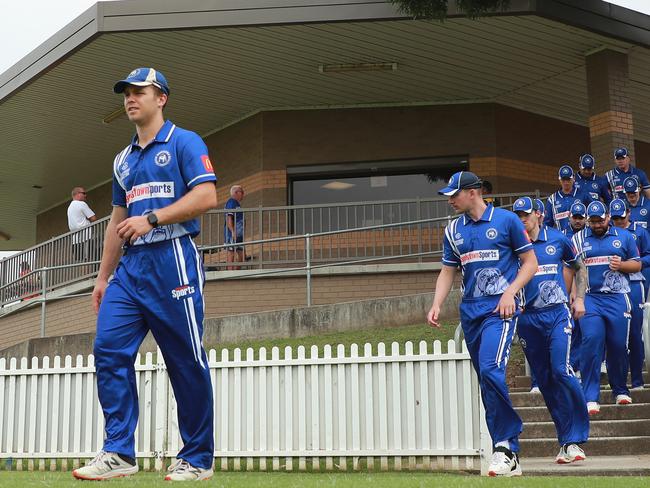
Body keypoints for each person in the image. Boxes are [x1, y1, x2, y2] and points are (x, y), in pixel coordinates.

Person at [72, 68, 217, 482]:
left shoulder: (185, 142)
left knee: (185, 359)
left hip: (173, 259)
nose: (131, 98)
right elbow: (118, 220)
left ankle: (198, 458)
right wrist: (103, 278)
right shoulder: (122, 160)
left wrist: (152, 219)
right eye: (126, 94)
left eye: (140, 91)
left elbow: (207, 195)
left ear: (162, 98)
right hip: (129, 271)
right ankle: (119, 452)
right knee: (108, 349)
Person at [427, 171, 537, 477]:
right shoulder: (452, 230)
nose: (450, 200)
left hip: (500, 311)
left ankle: (506, 445)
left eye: (454, 194)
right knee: (486, 382)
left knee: (491, 369)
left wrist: (510, 293)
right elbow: (448, 271)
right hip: (470, 312)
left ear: (473, 192)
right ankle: (506, 451)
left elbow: (531, 263)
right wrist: (437, 303)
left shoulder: (507, 221)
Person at [513, 197, 589, 464]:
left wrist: (579, 298)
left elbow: (579, 267)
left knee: (561, 370)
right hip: (527, 319)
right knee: (545, 381)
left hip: (557, 314)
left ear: (539, 215)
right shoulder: (514, 245)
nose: (522, 218)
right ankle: (566, 440)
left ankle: (577, 436)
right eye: (517, 214)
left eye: (526, 214)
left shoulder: (557, 239)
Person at [571, 201, 640, 415]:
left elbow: (637, 264)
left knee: (618, 344)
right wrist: (575, 296)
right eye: (593, 221)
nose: (597, 224)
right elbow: (573, 269)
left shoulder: (624, 237)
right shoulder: (578, 239)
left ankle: (620, 389)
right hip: (591, 298)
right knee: (591, 341)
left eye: (600, 220)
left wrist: (622, 265)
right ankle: (590, 396)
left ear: (608, 217)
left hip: (618, 297)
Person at [609, 199, 648, 390]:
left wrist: (636, 263)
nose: (619, 221)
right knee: (616, 335)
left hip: (633, 284)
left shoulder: (639, 232)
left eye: (621, 217)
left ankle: (637, 380)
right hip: (613, 288)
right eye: (615, 218)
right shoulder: (607, 233)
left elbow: (649, 255)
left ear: (629, 214)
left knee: (634, 332)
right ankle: (618, 381)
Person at [544, 165, 584, 232]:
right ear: (559, 179)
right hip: (561, 239)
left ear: (573, 178)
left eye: (568, 179)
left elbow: (590, 217)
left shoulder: (583, 195)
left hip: (581, 238)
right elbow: (547, 223)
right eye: (563, 179)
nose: (566, 182)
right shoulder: (552, 199)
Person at [67, 187, 97, 262]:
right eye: (83, 193)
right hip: (86, 236)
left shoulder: (69, 207)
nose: (85, 195)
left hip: (75, 239)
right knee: (90, 258)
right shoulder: (81, 204)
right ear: (77, 194)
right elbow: (93, 218)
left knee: (81, 261)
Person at [224, 185, 245, 270]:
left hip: (239, 234)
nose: (243, 194)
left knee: (241, 254)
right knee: (231, 252)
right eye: (242, 192)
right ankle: (230, 272)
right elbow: (229, 217)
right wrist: (232, 231)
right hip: (232, 234)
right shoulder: (231, 202)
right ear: (236, 192)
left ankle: (236, 271)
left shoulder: (237, 204)